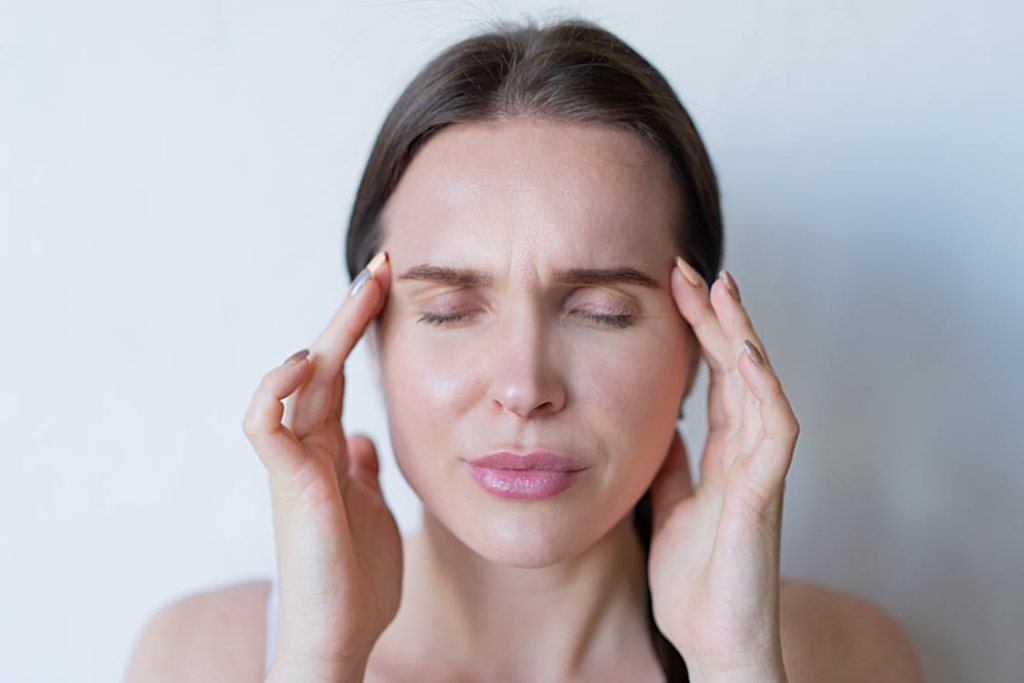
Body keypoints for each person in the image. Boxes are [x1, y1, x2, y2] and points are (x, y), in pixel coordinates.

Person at [123, 16, 924, 683]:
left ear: (698, 354)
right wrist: (320, 658)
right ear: (368, 346)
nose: (524, 385)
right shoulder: (205, 656)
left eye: (603, 311)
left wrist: (733, 659)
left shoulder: (846, 657)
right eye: (451, 310)